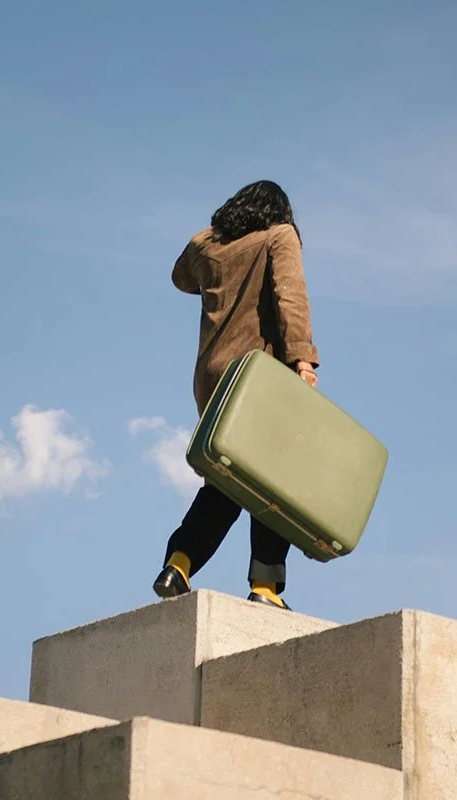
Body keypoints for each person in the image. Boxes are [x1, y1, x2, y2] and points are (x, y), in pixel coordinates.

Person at [151, 180, 320, 611]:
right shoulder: (280, 236)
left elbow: (180, 277)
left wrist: (216, 241)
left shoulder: (209, 247)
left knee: (227, 480)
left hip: (211, 377)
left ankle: (179, 563)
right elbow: (291, 298)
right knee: (273, 483)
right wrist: (302, 361)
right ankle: (265, 588)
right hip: (257, 375)